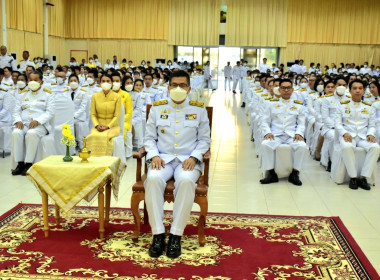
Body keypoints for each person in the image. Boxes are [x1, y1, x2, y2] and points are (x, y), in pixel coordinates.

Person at [144, 70, 211, 258]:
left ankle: (175, 235)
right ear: (168, 87)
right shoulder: (157, 108)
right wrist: (154, 155)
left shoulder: (198, 110)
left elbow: (205, 140)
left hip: (188, 160)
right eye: (174, 85)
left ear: (189, 89)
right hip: (163, 159)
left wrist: (195, 157)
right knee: (153, 179)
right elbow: (149, 138)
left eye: (182, 85)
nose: (178, 88)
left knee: (187, 182)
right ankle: (157, 234)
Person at [259, 79, 307, 186]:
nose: (286, 90)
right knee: (265, 144)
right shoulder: (271, 103)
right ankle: (271, 173)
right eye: (283, 88)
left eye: (288, 88)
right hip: (276, 135)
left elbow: (301, 123)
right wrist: (267, 132)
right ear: (279, 90)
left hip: (292, 136)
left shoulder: (299, 105)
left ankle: (295, 173)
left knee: (302, 146)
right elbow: (264, 121)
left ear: (292, 90)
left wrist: (299, 133)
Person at [336, 79, 380, 190]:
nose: (357, 91)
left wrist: (371, 134)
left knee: (375, 147)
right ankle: (353, 177)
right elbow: (337, 124)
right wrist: (344, 133)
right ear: (349, 91)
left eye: (360, 88)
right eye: (355, 88)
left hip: (363, 136)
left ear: (364, 90)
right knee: (347, 147)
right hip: (348, 136)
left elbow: (372, 125)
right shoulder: (341, 105)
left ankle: (364, 177)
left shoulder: (369, 106)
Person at [11, 71, 54, 175]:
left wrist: (38, 121)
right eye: (30, 80)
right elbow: (16, 111)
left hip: (40, 125)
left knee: (31, 134)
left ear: (42, 82)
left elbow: (50, 112)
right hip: (24, 123)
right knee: (16, 133)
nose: (32, 82)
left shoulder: (48, 95)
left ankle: (28, 163)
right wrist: (18, 121)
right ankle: (20, 163)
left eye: (36, 80)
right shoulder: (22, 94)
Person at [86, 74, 122, 156]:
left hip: (113, 126)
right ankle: (93, 161)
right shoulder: (95, 96)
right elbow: (93, 114)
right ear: (100, 82)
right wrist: (97, 125)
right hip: (99, 126)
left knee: (104, 137)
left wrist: (108, 126)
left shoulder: (117, 97)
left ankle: (106, 162)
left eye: (108, 81)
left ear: (112, 83)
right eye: (103, 81)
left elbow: (117, 116)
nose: (106, 83)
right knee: (93, 136)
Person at [68, 74, 88, 150]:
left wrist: (74, 116)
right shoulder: (66, 92)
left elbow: (82, 108)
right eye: (71, 81)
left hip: (79, 117)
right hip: (68, 116)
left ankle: (81, 147)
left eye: (75, 81)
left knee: (77, 125)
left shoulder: (83, 92)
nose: (73, 82)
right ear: (68, 83)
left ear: (79, 82)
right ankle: (70, 148)